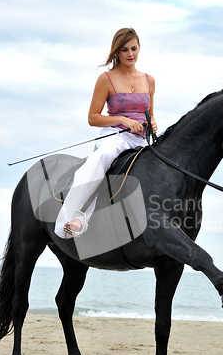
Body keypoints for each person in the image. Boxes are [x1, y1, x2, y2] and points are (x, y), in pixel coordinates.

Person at [54, 28, 157, 238]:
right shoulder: (106, 79)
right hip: (115, 136)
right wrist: (122, 119)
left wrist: (152, 123)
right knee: (101, 159)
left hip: (141, 140)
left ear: (139, 48)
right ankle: (74, 217)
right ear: (116, 52)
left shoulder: (149, 80)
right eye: (125, 50)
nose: (131, 54)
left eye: (134, 48)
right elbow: (93, 117)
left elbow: (150, 114)